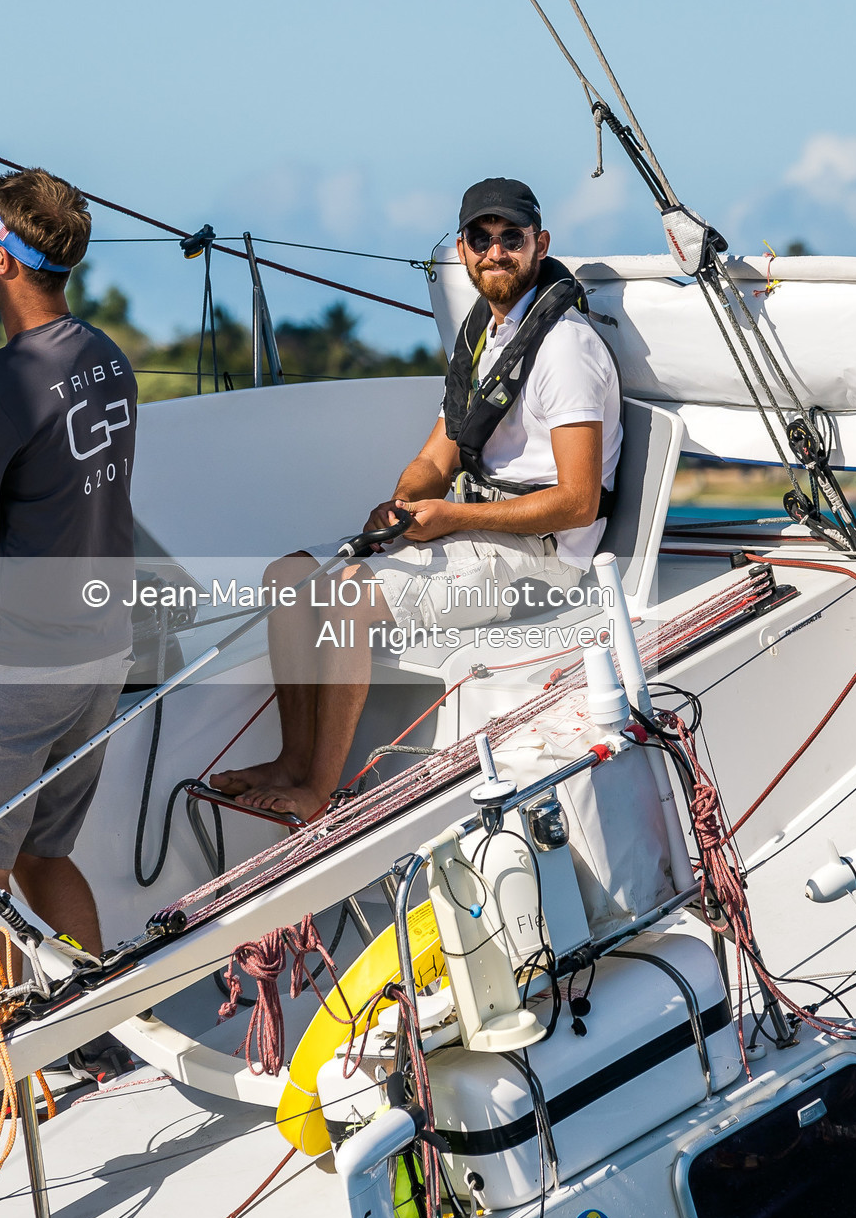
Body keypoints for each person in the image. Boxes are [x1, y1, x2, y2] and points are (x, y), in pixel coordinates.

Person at [213, 176, 622, 822]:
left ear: (539, 245)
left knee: (346, 591)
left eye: (510, 238)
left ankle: (318, 787)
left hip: (545, 558)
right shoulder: (486, 341)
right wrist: (402, 505)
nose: (494, 251)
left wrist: (453, 515)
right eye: (480, 238)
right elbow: (436, 458)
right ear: (463, 250)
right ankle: (292, 760)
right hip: (481, 531)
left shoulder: (565, 348)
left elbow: (577, 503)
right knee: (288, 575)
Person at [0, 169, 137, 958]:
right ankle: (93, 1038)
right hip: (101, 656)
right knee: (44, 856)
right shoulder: (110, 359)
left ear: (4, 261)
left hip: (18, 666)